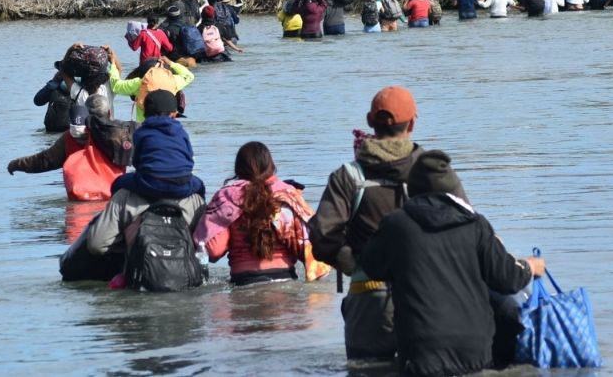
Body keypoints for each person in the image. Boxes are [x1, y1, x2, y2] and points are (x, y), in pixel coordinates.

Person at [359, 150, 546, 376]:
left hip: (422, 353)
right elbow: (507, 280)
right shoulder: (476, 224)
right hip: (475, 351)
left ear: (412, 189)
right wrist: (529, 267)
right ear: (453, 190)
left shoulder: (396, 225)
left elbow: (371, 266)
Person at [309, 86, 424, 361]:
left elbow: (323, 236)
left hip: (367, 299)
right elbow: (462, 226)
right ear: (412, 123)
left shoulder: (348, 176)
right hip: (425, 298)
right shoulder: (430, 170)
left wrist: (353, 264)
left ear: (370, 121)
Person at [59, 90, 206, 282]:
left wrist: (128, 240)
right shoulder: (181, 134)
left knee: (118, 185)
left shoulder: (140, 134)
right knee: (200, 188)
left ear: (144, 112)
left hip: (145, 184)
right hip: (183, 187)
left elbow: (96, 245)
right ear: (174, 115)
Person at [193, 142, 330, 286]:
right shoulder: (287, 194)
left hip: (243, 283)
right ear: (271, 166)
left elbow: (213, 250)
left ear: (238, 169)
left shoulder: (226, 197)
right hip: (285, 282)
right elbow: (314, 247)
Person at [109, 56, 195, 122]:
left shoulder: (139, 83)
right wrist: (171, 63)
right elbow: (189, 76)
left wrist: (113, 64)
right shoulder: (173, 81)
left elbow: (115, 86)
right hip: (168, 130)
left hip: (144, 130)